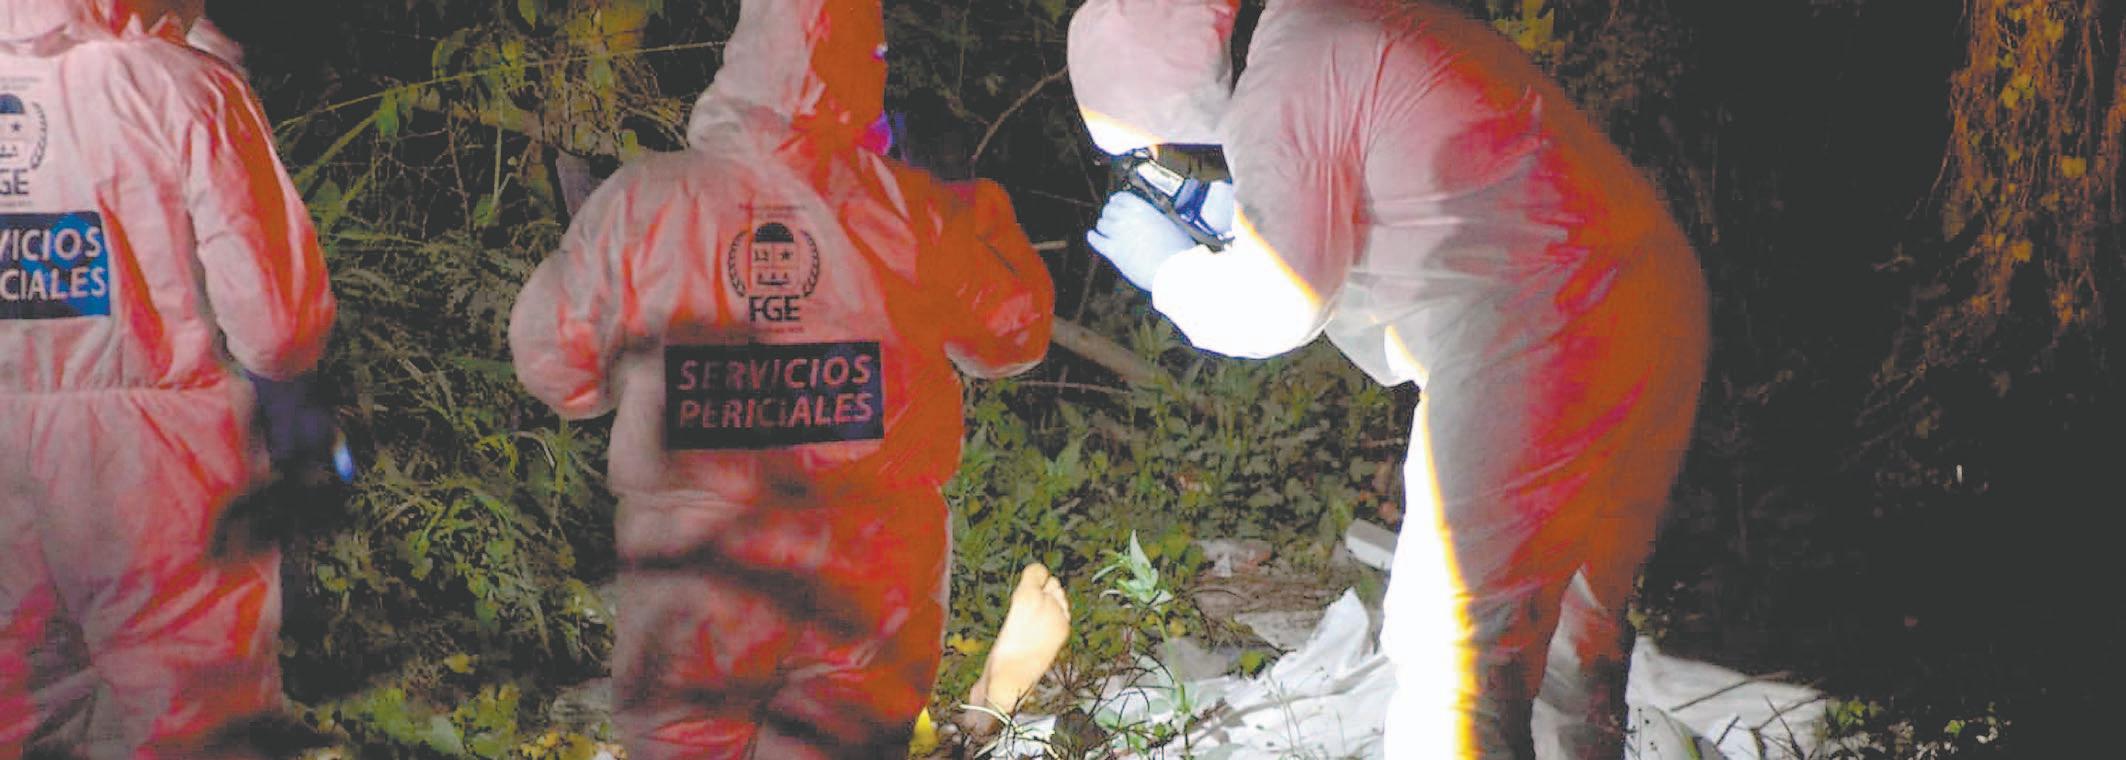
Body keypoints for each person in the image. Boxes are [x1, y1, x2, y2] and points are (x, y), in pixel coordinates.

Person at [1067, 1, 1710, 757]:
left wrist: (1169, 271)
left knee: (1455, 654)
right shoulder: (1345, 23)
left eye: (1154, 154)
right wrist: (1234, 217)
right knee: (1575, 631)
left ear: (1172, 103)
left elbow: (1278, 302)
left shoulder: (1288, 73)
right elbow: (1399, 206)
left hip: (1537, 328)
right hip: (1649, 297)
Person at [506, 0, 1055, 755]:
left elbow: (554, 367)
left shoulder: (643, 204)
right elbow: (1014, 330)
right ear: (866, 68)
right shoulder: (908, 207)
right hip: (868, 580)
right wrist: (971, 210)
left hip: (697, 577)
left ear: (744, 56)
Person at [0, 0, 338, 756]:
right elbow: (277, 327)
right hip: (158, 461)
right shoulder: (188, 88)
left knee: (20, 713)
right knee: (198, 718)